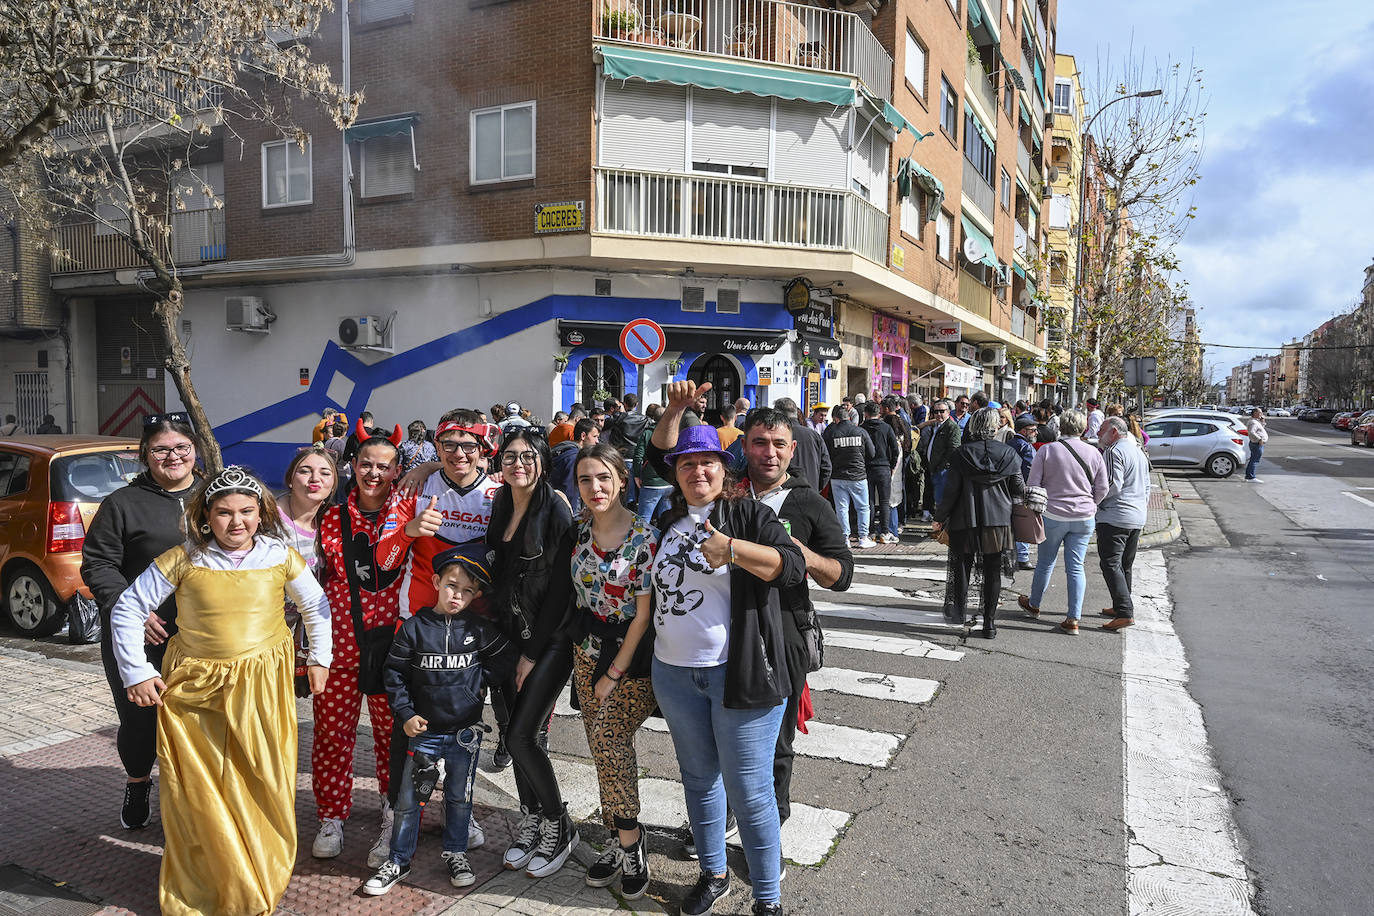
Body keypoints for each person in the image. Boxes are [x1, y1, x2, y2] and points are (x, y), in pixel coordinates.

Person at [109, 466, 332, 916]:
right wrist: (135, 672)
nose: (236, 522)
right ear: (205, 516)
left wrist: (319, 658)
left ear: (262, 512)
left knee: (262, 779)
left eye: (247, 512)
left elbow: (315, 604)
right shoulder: (184, 558)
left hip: (261, 689)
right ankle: (211, 877)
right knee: (199, 787)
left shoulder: (280, 556)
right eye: (224, 513)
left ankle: (256, 871)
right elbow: (128, 608)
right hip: (194, 690)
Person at [647, 380, 805, 916]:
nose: (697, 472)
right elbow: (652, 451)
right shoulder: (666, 520)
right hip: (674, 674)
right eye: (687, 464)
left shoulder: (749, 516)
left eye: (708, 463)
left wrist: (733, 551)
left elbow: (795, 568)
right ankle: (713, 874)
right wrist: (674, 408)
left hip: (740, 677)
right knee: (697, 781)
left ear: (724, 468)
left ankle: (767, 899)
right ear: (676, 473)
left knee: (751, 793)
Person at [363, 544, 515, 896]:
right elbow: (394, 674)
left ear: (475, 595)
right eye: (451, 585)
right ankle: (398, 860)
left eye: (466, 591)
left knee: (460, 798)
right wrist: (406, 714)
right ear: (435, 581)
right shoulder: (414, 628)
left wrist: (479, 683)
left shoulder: (479, 630)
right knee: (409, 800)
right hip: (424, 734)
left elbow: (506, 657)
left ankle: (457, 853)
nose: (457, 595)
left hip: (465, 735)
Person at [548, 442, 659, 900]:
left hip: (629, 660)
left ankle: (631, 844)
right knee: (600, 747)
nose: (594, 488)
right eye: (584, 480)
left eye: (603, 478)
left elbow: (643, 615)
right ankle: (617, 836)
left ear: (623, 481)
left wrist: (613, 672)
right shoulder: (576, 532)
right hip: (585, 653)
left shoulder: (646, 538)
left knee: (612, 744)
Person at [81, 411, 201, 829]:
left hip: (203, 637)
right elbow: (97, 565)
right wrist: (127, 608)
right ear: (145, 455)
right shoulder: (122, 504)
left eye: (181, 448)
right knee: (140, 722)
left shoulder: (213, 496)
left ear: (194, 449)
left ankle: (192, 804)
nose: (173, 457)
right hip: (141, 635)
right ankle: (137, 779)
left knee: (196, 725)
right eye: (161, 449)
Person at [735, 407, 853, 831]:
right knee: (724, 737)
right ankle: (729, 812)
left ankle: (772, 824)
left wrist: (803, 556)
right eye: (760, 443)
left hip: (783, 634)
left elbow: (842, 575)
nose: (769, 453)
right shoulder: (727, 492)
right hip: (725, 632)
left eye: (778, 444)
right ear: (745, 445)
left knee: (777, 742)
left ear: (793, 450)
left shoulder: (809, 502)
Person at [313, 426, 419, 868]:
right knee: (332, 734)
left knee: (391, 737)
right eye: (366, 464)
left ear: (397, 470)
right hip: (339, 643)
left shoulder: (410, 508)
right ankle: (331, 817)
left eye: (384, 466)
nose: (374, 473)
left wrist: (429, 463)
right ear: (352, 467)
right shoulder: (330, 516)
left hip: (392, 646)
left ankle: (391, 815)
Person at [486, 428, 579, 877]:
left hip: (549, 640)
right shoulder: (501, 502)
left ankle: (559, 824)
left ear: (542, 461)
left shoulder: (556, 506)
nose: (517, 464)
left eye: (527, 456)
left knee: (524, 735)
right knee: (511, 732)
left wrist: (532, 653)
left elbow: (563, 589)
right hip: (506, 636)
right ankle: (533, 819)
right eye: (509, 457)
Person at [931, 408, 1024, 637]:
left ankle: (959, 612)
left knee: (962, 567)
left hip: (966, 518)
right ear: (994, 427)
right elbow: (1019, 488)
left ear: (973, 426)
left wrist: (939, 518)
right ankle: (989, 623)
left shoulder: (961, 454)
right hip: (998, 520)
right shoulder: (1008, 454)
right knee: (993, 571)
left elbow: (951, 491)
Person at [1018, 409, 1109, 634]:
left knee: (1046, 562)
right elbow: (1103, 487)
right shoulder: (1094, 452)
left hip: (1053, 514)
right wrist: (1091, 503)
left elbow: (1033, 483)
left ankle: (1035, 604)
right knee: (1076, 567)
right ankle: (1073, 618)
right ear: (1083, 428)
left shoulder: (1048, 450)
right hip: (1084, 516)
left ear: (1060, 428)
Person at [1095, 417, 1151, 632]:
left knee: (1110, 563)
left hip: (1116, 516)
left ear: (1114, 432)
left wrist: (1095, 501)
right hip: (1136, 515)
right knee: (1124, 565)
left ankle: (1125, 612)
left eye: (1102, 430)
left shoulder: (1113, 451)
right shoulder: (1138, 449)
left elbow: (1112, 485)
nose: (1099, 434)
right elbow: (1146, 485)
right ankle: (1121, 606)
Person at [823, 403, 876, 549]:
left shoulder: (832, 433)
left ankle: (844, 538)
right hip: (858, 475)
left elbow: (826, 454)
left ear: (836, 419)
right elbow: (871, 453)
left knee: (841, 508)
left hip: (838, 476)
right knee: (863, 507)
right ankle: (863, 537)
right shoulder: (860, 431)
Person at [860, 402, 900, 544]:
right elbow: (895, 449)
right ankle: (884, 531)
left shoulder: (862, 428)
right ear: (879, 413)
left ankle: (870, 531)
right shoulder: (886, 427)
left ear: (866, 413)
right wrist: (892, 466)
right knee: (884, 501)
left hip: (867, 468)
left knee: (869, 501)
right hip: (883, 467)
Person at [773, 397, 831, 494]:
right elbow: (826, 467)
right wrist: (816, 487)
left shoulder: (777, 435)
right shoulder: (814, 435)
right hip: (811, 493)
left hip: (784, 495)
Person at [633, 404, 673, 526]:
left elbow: (638, 456)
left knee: (643, 520)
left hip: (651, 482)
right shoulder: (672, 433)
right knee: (666, 519)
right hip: (668, 482)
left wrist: (636, 475)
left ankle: (641, 544)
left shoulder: (647, 433)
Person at [551, 418, 600, 512]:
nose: (597, 441)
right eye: (595, 436)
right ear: (583, 436)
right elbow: (570, 490)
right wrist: (570, 515)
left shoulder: (566, 450)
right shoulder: (574, 457)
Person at [923, 399, 962, 512]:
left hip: (943, 470)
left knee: (942, 501)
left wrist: (942, 466)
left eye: (942, 411)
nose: (938, 414)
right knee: (937, 499)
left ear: (948, 412)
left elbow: (954, 449)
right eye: (936, 412)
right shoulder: (936, 425)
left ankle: (944, 527)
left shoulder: (951, 427)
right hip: (934, 468)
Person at [1010, 415, 1038, 570]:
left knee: (1013, 523)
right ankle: (1022, 557)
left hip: (1009, 488)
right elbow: (1030, 469)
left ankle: (1014, 555)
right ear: (1023, 430)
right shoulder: (1025, 446)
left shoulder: (1010, 443)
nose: (1035, 433)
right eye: (1032, 430)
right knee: (1023, 522)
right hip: (1022, 489)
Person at [881, 397, 912, 535]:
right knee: (895, 496)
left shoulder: (886, 424)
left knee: (888, 499)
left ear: (887, 409)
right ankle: (895, 524)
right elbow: (908, 443)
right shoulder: (903, 421)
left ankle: (890, 528)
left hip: (890, 465)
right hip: (899, 464)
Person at [1244, 408, 1268, 482]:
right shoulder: (1253, 422)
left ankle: (1249, 476)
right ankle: (1251, 477)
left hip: (1256, 443)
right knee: (1254, 460)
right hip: (1256, 444)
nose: (1261, 414)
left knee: (1253, 459)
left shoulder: (1255, 421)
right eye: (1260, 413)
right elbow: (1251, 432)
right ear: (1255, 413)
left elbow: (1260, 430)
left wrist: (1262, 422)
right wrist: (1259, 439)